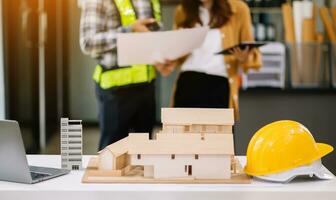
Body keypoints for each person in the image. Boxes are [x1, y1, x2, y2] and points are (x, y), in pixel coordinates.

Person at [80, 0, 173, 150]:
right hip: (115, 90)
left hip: (146, 87)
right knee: (113, 154)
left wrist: (159, 60)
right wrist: (129, 30)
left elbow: (150, 39)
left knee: (143, 155)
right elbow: (88, 42)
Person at [163, 0, 262, 119]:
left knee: (219, 135)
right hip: (188, 82)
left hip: (219, 84)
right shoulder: (183, 10)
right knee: (184, 135)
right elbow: (176, 54)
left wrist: (244, 57)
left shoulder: (239, 9)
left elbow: (251, 51)